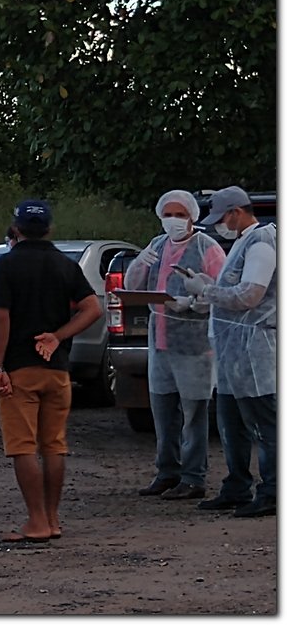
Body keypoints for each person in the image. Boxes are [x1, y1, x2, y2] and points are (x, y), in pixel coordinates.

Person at [0, 200, 101, 542]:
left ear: (16, 228)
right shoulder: (64, 265)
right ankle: (52, 519)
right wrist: (58, 336)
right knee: (54, 445)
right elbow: (92, 308)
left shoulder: (7, 265)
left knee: (23, 446)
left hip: (21, 367)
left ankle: (35, 521)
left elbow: (3, 317)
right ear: (50, 228)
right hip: (57, 369)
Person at [180, 186, 277, 518]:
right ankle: (236, 486)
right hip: (233, 352)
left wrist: (206, 289)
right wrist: (204, 294)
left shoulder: (262, 244)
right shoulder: (243, 242)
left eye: (222, 218)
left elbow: (249, 295)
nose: (220, 225)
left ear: (236, 212)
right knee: (231, 422)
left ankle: (273, 491)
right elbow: (233, 291)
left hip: (253, 352)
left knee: (265, 426)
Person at [124, 190, 226, 500]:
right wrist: (140, 263)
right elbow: (133, 286)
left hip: (194, 344)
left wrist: (194, 302)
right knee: (163, 410)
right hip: (161, 341)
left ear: (193, 216)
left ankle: (193, 476)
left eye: (180, 214)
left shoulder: (207, 247)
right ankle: (167, 471)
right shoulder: (157, 245)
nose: (174, 221)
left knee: (194, 413)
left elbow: (222, 294)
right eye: (168, 214)